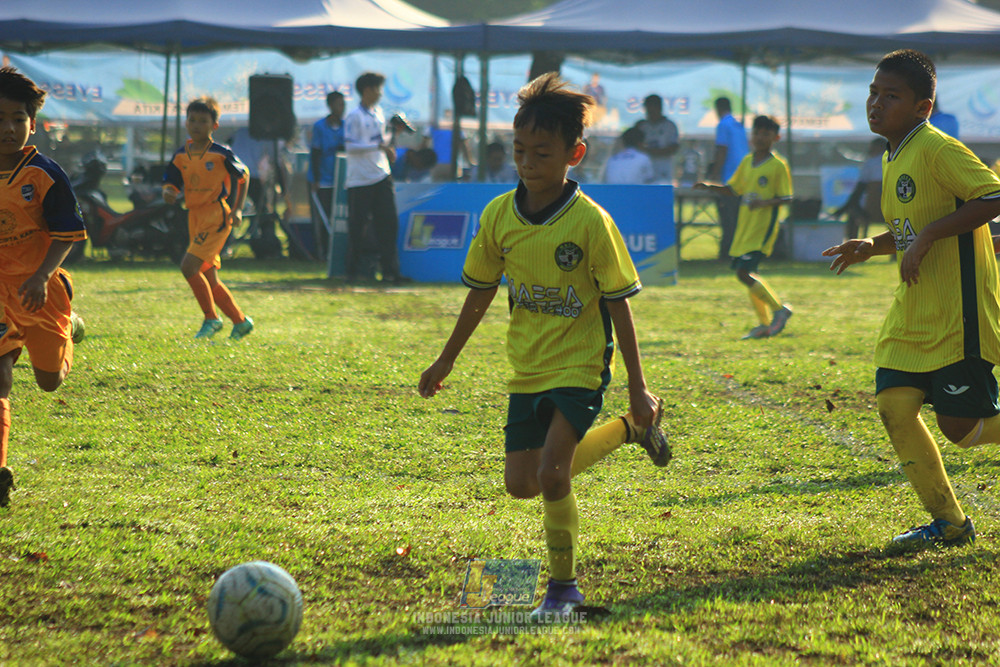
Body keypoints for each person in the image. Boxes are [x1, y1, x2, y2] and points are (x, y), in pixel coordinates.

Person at [418, 73, 670, 622]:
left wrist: (637, 383)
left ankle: (563, 592)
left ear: (573, 154)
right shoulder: (497, 217)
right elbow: (481, 293)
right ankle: (631, 431)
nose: (527, 162)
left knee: (554, 475)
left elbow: (619, 304)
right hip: (525, 367)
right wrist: (446, 358)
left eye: (541, 152)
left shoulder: (590, 222)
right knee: (523, 484)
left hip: (580, 366)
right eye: (519, 150)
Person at [823, 49, 1000, 550]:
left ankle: (949, 523)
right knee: (894, 405)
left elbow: (992, 197)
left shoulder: (937, 147)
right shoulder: (892, 153)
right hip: (915, 312)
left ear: (923, 107)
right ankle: (949, 523)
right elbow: (912, 224)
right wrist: (873, 245)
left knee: (961, 428)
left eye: (891, 96)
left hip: (957, 312)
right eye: (873, 93)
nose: (876, 104)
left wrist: (925, 239)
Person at [0, 66, 87, 507]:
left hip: (41, 288)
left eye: (17, 118)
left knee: (49, 382)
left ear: (32, 124)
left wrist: (43, 275)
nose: (8, 128)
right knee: (0, 374)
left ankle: (68, 323)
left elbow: (66, 233)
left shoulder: (44, 174)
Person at [163, 97, 254, 341]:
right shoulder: (181, 154)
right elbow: (171, 179)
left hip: (216, 216)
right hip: (194, 216)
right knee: (208, 275)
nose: (196, 125)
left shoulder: (221, 153)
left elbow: (243, 176)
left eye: (203, 121)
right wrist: (169, 191)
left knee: (188, 266)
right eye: (192, 120)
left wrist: (237, 209)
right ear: (186, 123)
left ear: (214, 125)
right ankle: (240, 321)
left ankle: (211, 319)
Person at [696, 115, 793, 339]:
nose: (760, 137)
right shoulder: (747, 161)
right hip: (745, 228)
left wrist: (764, 203)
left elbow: (786, 197)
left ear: (776, 137)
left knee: (744, 272)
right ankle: (765, 323)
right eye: (757, 133)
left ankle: (780, 310)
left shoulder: (778, 165)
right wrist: (710, 186)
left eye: (766, 134)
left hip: (762, 229)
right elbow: (733, 189)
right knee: (750, 274)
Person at [343, 72, 408, 284]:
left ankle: (391, 271)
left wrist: (392, 135)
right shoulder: (354, 116)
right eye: (378, 88)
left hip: (381, 174)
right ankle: (352, 272)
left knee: (389, 223)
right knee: (357, 227)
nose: (381, 93)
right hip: (360, 179)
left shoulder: (378, 113)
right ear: (367, 90)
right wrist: (378, 146)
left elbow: (381, 141)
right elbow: (350, 146)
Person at [707, 97, 750, 259]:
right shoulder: (738, 125)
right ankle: (738, 250)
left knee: (728, 217)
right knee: (738, 217)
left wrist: (714, 176)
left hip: (728, 178)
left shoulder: (723, 125)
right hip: (743, 177)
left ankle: (728, 251)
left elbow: (722, 150)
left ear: (718, 109)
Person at [309, 91, 346, 249]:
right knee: (324, 217)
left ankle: (338, 249)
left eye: (344, 104)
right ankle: (322, 251)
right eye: (339, 104)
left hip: (340, 179)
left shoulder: (346, 126)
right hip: (323, 179)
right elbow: (315, 154)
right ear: (330, 105)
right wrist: (316, 179)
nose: (342, 108)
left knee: (338, 217)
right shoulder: (320, 127)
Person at [833, 137, 886, 240]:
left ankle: (852, 245)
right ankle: (894, 254)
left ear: (878, 148)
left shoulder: (871, 163)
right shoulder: (896, 161)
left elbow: (860, 189)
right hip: (893, 210)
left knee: (853, 211)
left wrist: (846, 207)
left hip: (872, 209)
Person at [633, 94, 679, 184]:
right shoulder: (642, 126)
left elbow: (673, 148)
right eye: (648, 109)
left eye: (653, 109)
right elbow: (633, 146)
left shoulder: (669, 126)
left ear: (660, 108)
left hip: (663, 169)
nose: (650, 112)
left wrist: (648, 151)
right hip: (644, 169)